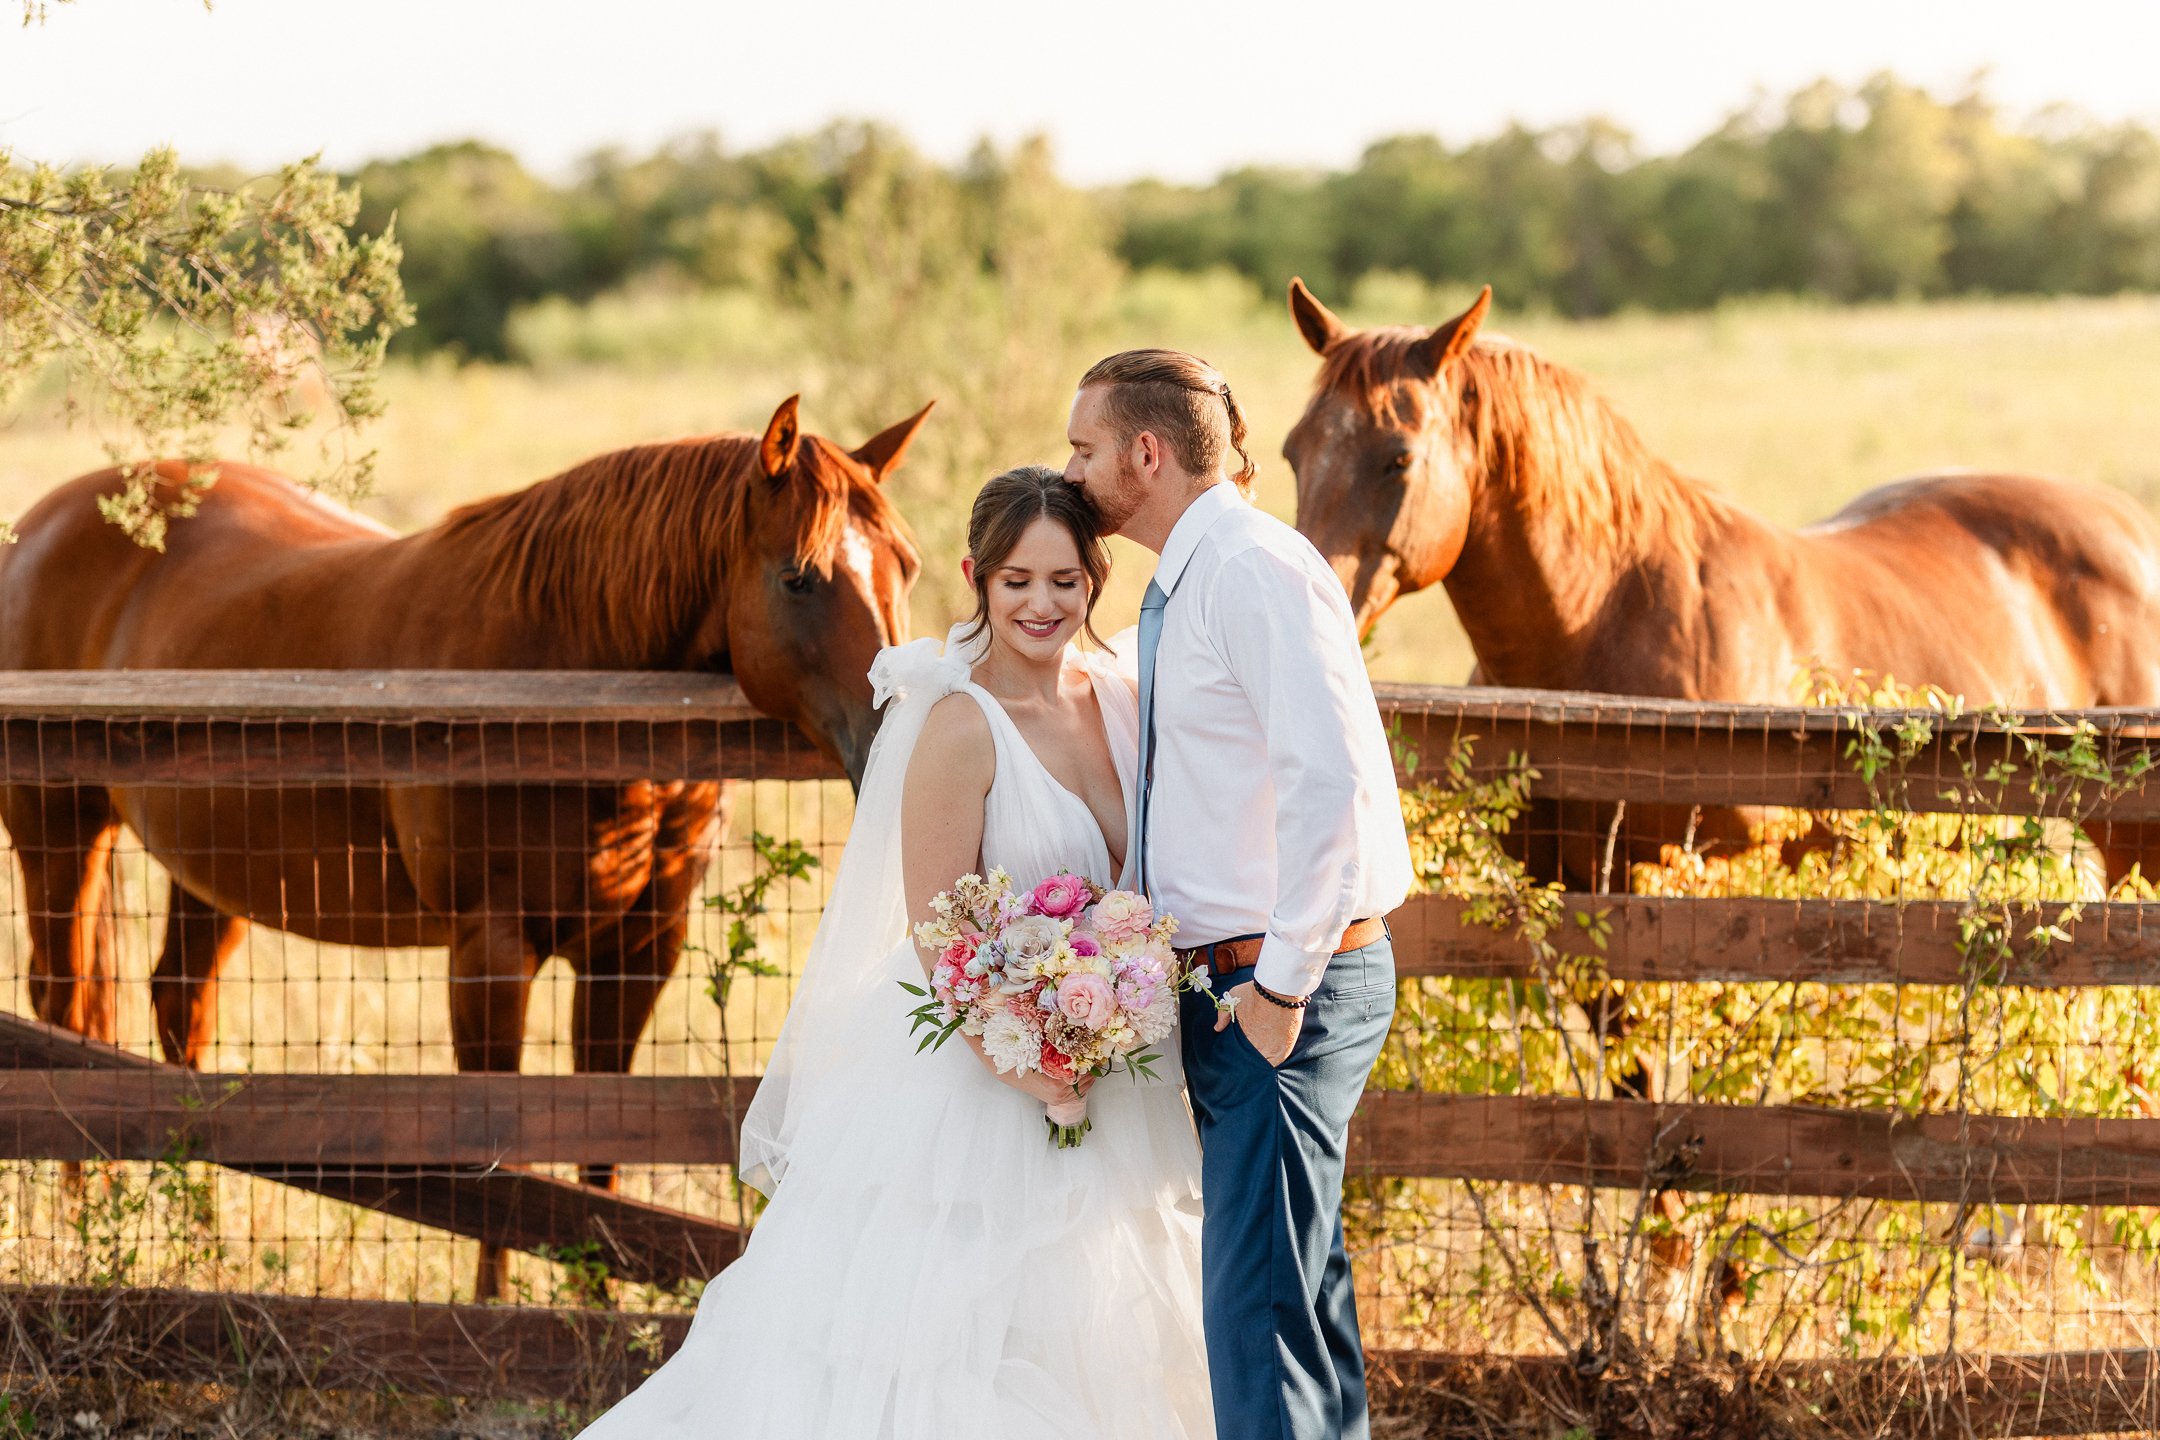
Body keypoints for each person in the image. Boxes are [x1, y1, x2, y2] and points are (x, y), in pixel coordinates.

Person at [576, 465, 1213, 1439]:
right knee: (950, 1354)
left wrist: (1107, 1008)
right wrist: (1034, 1068)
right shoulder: (959, 727)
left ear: (1096, 581)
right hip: (976, 1086)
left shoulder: (1118, 703)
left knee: (1107, 1327)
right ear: (976, 578)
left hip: (1108, 1074)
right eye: (1016, 582)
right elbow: (943, 936)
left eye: (1064, 581)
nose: (1042, 604)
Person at [1064, 352, 1413, 1440]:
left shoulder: (1255, 568)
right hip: (1240, 984)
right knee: (1292, 1298)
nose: (1070, 471)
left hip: (1277, 987)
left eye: (1085, 450)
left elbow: (1333, 783)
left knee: (1258, 1315)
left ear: (1147, 454)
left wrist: (1280, 988)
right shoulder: (1192, 578)